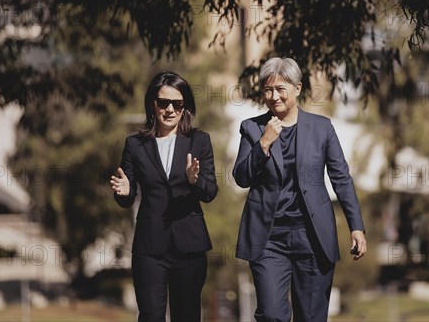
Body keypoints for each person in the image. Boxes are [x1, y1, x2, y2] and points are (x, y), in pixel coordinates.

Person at [233, 57, 367, 322]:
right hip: (268, 238)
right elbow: (241, 177)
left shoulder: (322, 128)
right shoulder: (252, 128)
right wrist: (263, 145)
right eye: (268, 90)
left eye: (281, 89)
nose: (274, 96)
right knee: (271, 314)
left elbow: (341, 178)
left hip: (313, 237)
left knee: (312, 317)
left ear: (297, 88)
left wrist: (356, 227)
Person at [110, 71, 218, 322]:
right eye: (163, 103)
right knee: (150, 316)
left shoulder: (199, 141)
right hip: (150, 248)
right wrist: (124, 193)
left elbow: (210, 191)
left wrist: (195, 181)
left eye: (177, 104)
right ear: (153, 104)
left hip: (190, 246)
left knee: (187, 316)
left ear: (185, 107)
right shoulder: (135, 144)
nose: (170, 109)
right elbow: (127, 196)